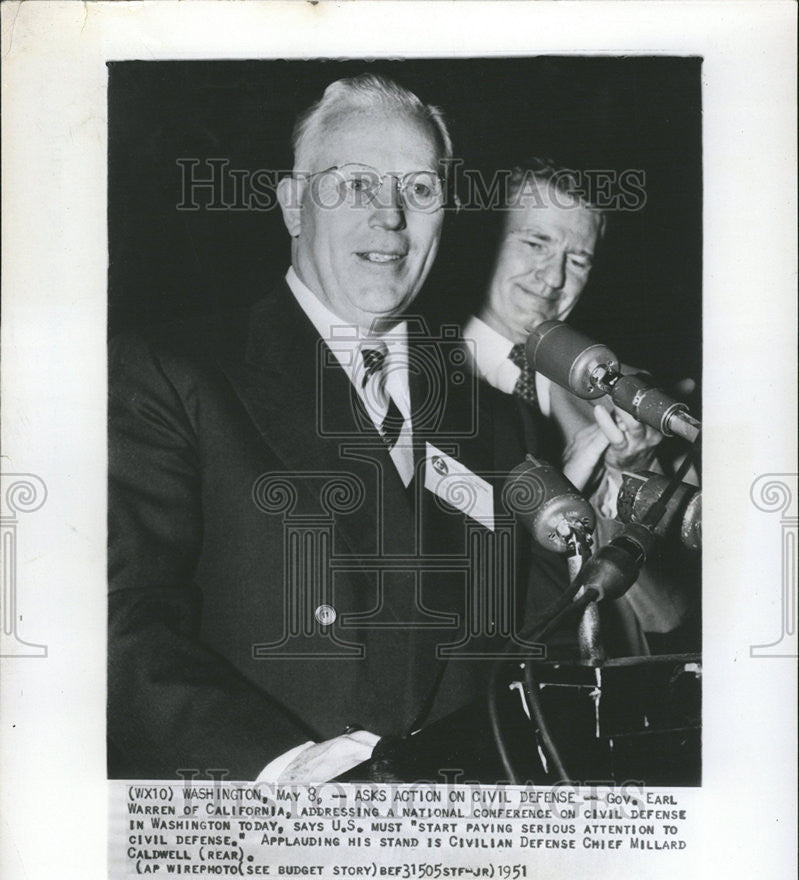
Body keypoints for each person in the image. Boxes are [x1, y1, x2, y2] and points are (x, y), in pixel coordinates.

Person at [108, 74, 537, 783]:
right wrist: (280, 771)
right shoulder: (170, 375)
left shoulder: (495, 425)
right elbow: (118, 622)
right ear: (292, 207)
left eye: (420, 190)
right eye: (356, 185)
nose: (392, 217)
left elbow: (526, 647)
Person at [463, 160, 697, 654]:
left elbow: (666, 615)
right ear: (486, 239)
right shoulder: (415, 384)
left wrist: (630, 470)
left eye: (579, 259)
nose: (553, 277)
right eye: (535, 243)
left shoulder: (620, 395)